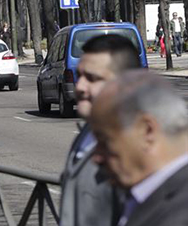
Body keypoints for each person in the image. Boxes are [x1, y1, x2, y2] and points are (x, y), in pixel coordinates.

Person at [59, 34, 142, 226]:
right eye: (80, 76)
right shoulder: (88, 131)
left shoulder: (136, 146)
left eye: (92, 78)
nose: (79, 86)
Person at [90, 71, 188, 226]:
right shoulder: (144, 195)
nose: (96, 157)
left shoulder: (178, 215)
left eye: (104, 141)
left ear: (147, 130)